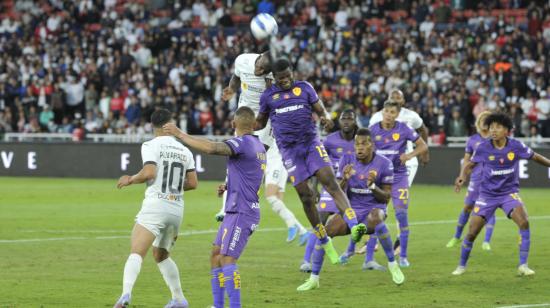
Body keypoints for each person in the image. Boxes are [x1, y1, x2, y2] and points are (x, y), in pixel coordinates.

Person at [256, 58, 366, 265]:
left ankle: (353, 223)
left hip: (311, 144)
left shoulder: (305, 88)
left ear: (292, 73)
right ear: (275, 79)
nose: (286, 80)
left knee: (330, 181)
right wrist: (247, 121)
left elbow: (320, 110)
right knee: (306, 197)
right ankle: (324, 240)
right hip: (289, 151)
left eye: (289, 76)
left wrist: (325, 118)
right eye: (281, 78)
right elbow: (260, 122)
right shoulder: (268, 96)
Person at [163, 106, 266, 308]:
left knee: (227, 259)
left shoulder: (243, 143)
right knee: (216, 255)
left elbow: (211, 148)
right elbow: (251, 175)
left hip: (243, 212)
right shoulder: (258, 146)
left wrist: (179, 134)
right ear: (254, 125)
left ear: (234, 124)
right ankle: (218, 305)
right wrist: (229, 187)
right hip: (235, 209)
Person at [218, 52, 310, 244]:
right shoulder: (242, 60)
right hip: (245, 117)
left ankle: (298, 228)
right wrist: (231, 89)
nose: (258, 72)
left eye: (263, 72)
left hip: (268, 130)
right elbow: (236, 75)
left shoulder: (272, 83)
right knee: (272, 194)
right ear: (258, 58)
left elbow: (275, 101)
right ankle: (297, 227)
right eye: (259, 68)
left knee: (268, 189)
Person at [297, 128, 405, 291]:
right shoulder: (346, 160)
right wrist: (345, 180)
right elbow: (337, 192)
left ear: (372, 145)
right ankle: (314, 278)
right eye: (357, 144)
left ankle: (392, 263)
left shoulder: (385, 164)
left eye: (364, 144)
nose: (359, 147)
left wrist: (372, 186)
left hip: (373, 209)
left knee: (376, 218)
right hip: (352, 211)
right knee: (326, 231)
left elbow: (386, 197)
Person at [114, 108, 198, 308]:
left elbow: (149, 171)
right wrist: (175, 186)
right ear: (171, 124)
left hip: (156, 205)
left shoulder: (150, 145)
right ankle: (179, 299)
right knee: (161, 255)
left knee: (136, 252)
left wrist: (130, 179)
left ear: (153, 126)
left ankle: (125, 295)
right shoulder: (185, 150)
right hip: (176, 209)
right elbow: (193, 183)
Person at [453, 113, 550, 276]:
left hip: (508, 194)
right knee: (472, 232)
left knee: (524, 222)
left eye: (497, 127)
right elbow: (470, 164)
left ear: (507, 130)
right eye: (491, 127)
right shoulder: (483, 147)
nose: (493, 130)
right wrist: (462, 176)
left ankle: (523, 265)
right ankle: (461, 266)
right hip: (487, 196)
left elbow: (535, 156)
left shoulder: (516, 146)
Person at [368, 100, 429, 268]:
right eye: (386, 111)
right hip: (380, 178)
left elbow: (422, 145)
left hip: (399, 177)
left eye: (392, 112)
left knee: (401, 215)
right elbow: (365, 150)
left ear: (397, 114)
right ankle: (369, 258)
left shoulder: (404, 128)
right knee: (374, 215)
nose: (388, 115)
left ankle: (403, 256)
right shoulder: (373, 129)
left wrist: (409, 156)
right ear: (382, 112)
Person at [300, 109, 357, 272]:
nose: (346, 121)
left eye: (350, 119)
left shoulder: (360, 140)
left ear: (355, 121)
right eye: (343, 119)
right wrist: (315, 186)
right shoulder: (330, 141)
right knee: (320, 220)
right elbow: (318, 163)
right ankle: (306, 260)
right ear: (339, 121)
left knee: (360, 220)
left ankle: (351, 252)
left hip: (354, 187)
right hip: (333, 187)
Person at [447, 111, 497, 250]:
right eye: (482, 120)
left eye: (487, 120)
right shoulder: (473, 140)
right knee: (467, 207)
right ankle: (457, 237)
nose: (484, 122)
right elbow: (467, 160)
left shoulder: (496, 138)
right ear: (478, 123)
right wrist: (462, 176)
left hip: (492, 179)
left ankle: (486, 241)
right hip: (476, 179)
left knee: (490, 209)